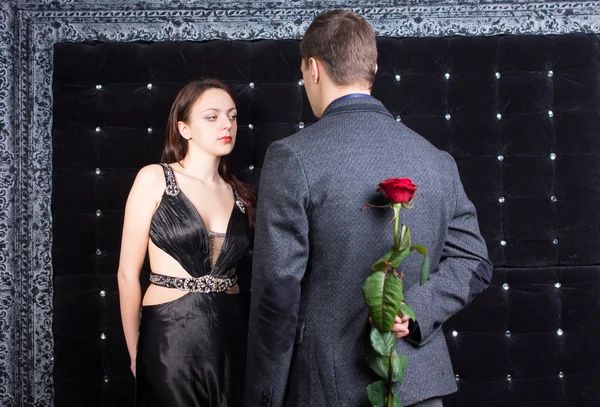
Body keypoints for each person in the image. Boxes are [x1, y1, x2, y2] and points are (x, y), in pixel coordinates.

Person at [244, 9, 493, 407]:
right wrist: (412, 312)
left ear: (312, 68)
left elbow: (279, 295)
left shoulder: (293, 157)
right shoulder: (435, 158)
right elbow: (475, 261)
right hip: (420, 389)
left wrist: (264, 398)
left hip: (329, 391)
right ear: (373, 66)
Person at [117, 79, 255, 407]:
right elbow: (126, 274)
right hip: (169, 340)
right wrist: (135, 350)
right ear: (185, 128)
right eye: (212, 116)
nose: (227, 124)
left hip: (228, 338)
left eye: (233, 116)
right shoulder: (153, 178)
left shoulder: (241, 195)